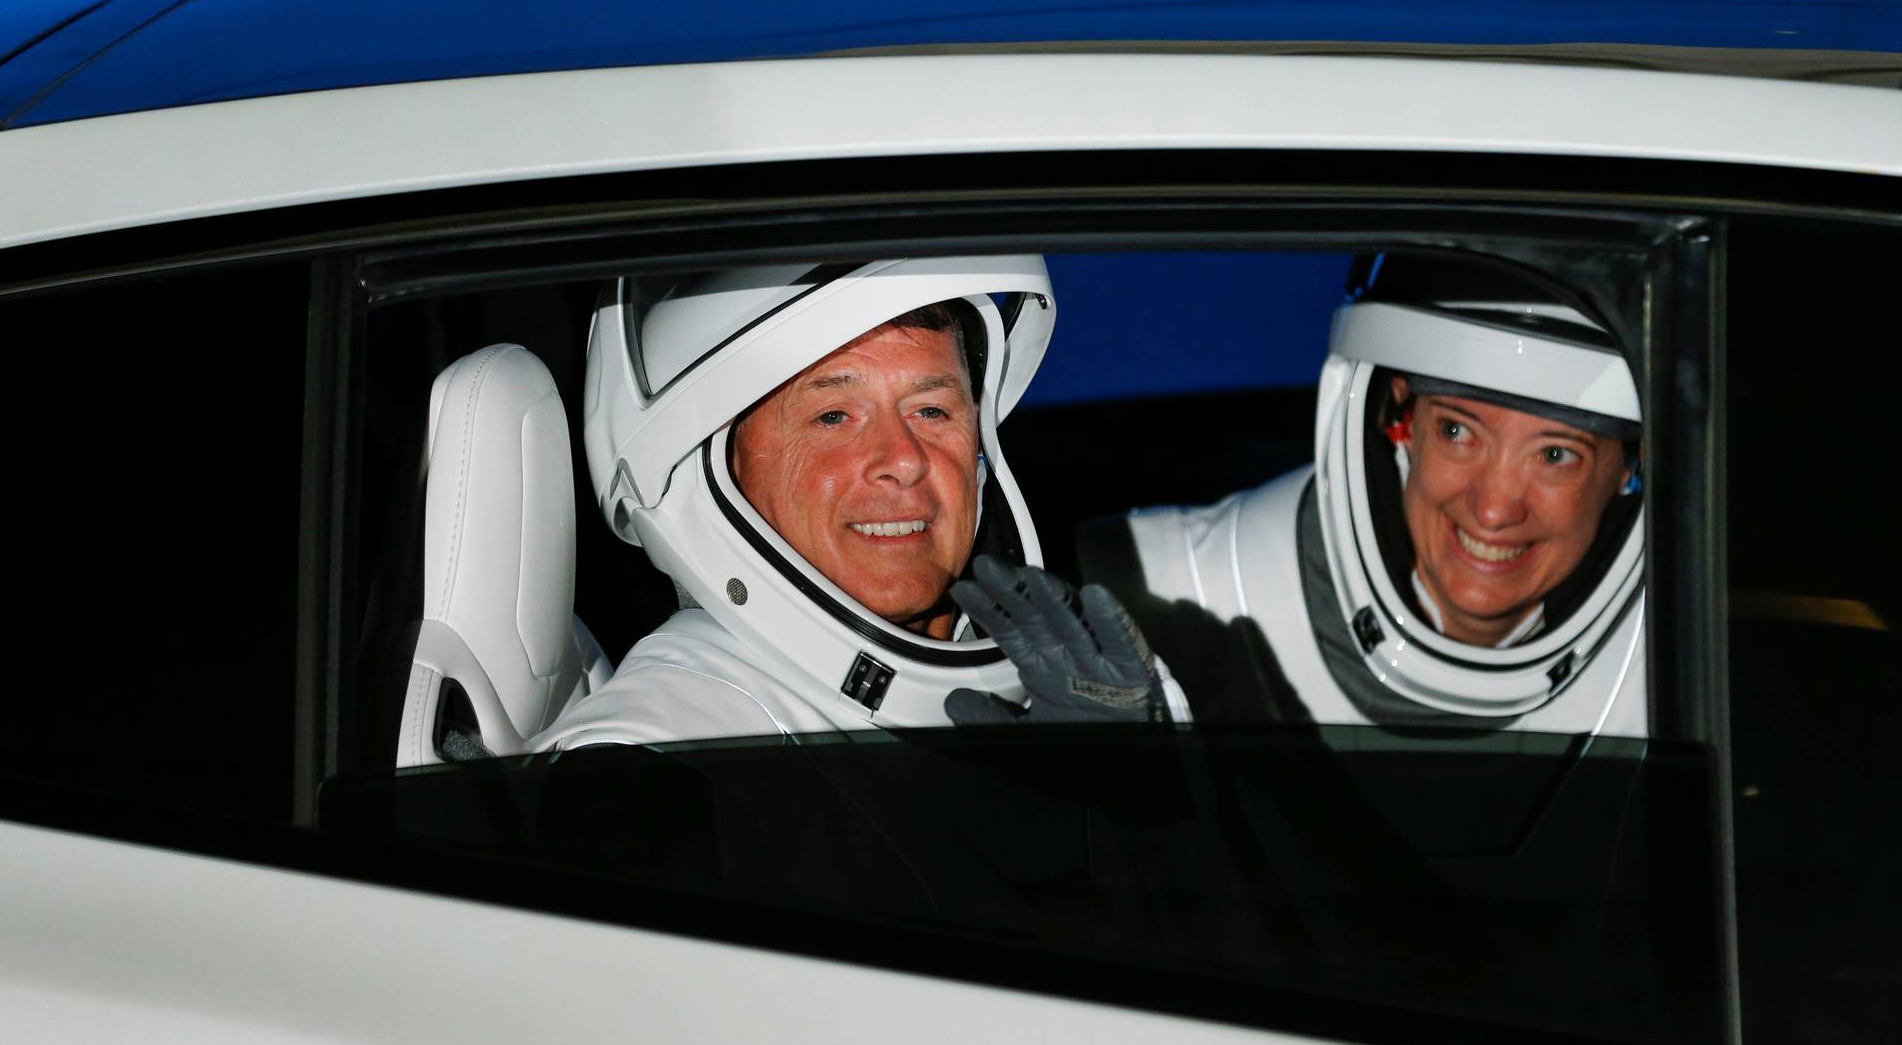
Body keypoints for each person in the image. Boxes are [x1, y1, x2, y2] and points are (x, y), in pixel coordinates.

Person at [532, 256, 1176, 750]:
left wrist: (1134, 821)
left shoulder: (1098, 693)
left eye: (932, 410)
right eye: (833, 416)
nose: (904, 459)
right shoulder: (657, 764)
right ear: (708, 468)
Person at [1092, 258, 1646, 736]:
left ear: (1630, 467)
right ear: (1399, 421)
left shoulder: (1688, 658)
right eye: (1457, 432)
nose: (1495, 510)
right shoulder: (1161, 589)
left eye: (1555, 456)